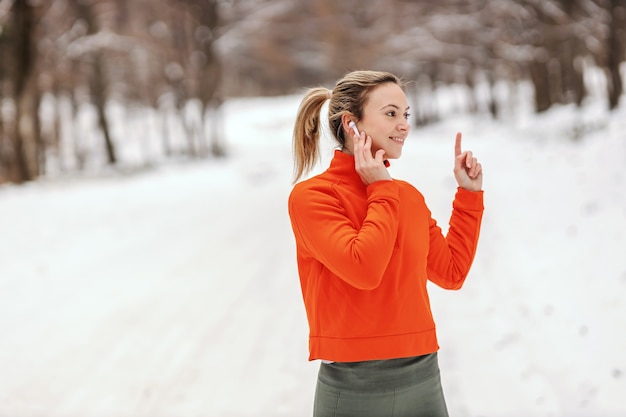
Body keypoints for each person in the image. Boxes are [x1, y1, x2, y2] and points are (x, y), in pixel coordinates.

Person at [287, 70, 484, 417]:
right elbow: (364, 269)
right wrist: (380, 189)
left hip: (423, 377)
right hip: (352, 385)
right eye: (391, 113)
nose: (404, 125)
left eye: (405, 114)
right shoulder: (312, 197)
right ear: (351, 124)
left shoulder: (405, 196)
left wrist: (469, 195)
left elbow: (451, 273)